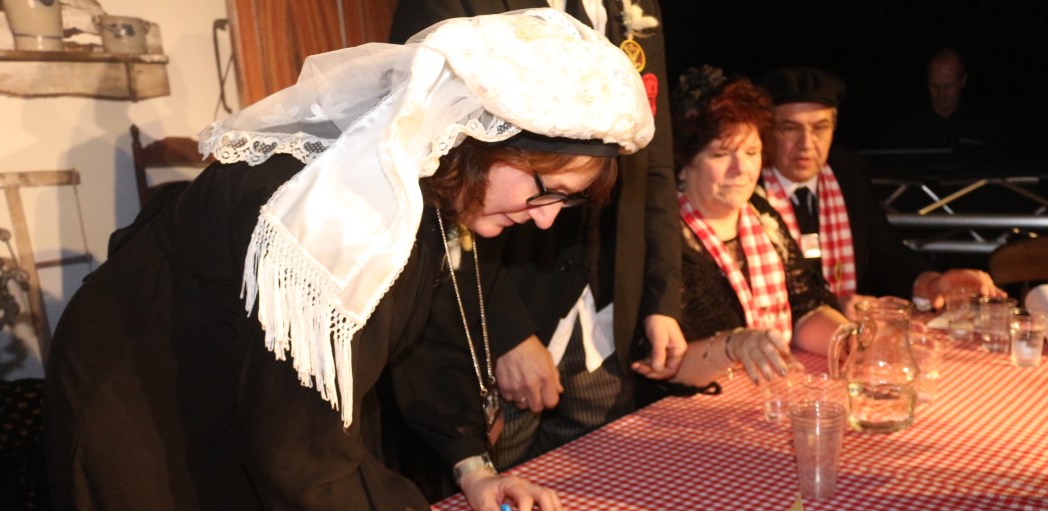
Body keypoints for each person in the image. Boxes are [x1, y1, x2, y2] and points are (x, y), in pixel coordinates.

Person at [44, 10, 654, 511]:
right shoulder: (344, 208)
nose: (545, 221)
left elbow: (424, 330)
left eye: (566, 203)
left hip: (246, 399)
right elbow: (299, 437)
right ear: (482, 137)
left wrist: (473, 468)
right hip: (142, 410)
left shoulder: (426, 179)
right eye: (547, 191)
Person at [390, 0, 685, 472]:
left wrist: (661, 298)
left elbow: (657, 166)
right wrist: (506, 332)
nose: (550, 218)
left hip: (605, 318)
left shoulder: (639, 7)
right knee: (491, 485)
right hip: (500, 311)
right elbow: (431, 168)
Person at [632, 66, 847, 391]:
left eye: (752, 152)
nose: (741, 169)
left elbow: (804, 306)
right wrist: (733, 345)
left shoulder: (762, 214)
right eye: (721, 154)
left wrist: (851, 339)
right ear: (683, 164)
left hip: (760, 396)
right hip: (686, 409)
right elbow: (661, 365)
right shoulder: (665, 236)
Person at [755, 66, 1004, 313]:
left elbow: (884, 252)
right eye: (790, 128)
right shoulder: (749, 184)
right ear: (768, 130)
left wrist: (931, 282)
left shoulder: (847, 170)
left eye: (820, 128)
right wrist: (828, 309)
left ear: (834, 127)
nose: (807, 144)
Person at [882, 47, 1008, 174]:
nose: (941, 94)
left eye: (948, 86)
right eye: (935, 86)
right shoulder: (907, 130)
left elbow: (1002, 171)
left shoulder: (985, 128)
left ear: (963, 81)